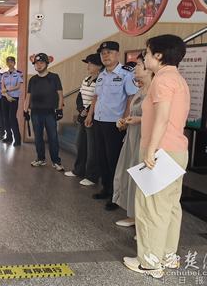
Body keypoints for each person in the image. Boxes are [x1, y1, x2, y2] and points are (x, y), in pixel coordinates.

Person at [124, 34, 190, 279]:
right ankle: (167, 256)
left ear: (159, 56)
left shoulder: (162, 80)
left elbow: (162, 119)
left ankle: (149, 262)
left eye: (148, 53)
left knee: (151, 208)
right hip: (176, 150)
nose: (145, 57)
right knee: (170, 206)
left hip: (161, 150)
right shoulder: (177, 78)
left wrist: (151, 150)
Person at [85, 41, 138, 211]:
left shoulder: (126, 73)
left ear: (117, 54)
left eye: (109, 52)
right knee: (102, 158)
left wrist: (124, 119)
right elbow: (96, 96)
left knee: (114, 160)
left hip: (115, 124)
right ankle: (106, 188)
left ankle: (117, 196)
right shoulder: (102, 75)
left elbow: (131, 97)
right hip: (99, 121)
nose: (105, 55)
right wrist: (90, 115)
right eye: (103, 53)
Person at [112, 53, 153, 228]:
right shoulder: (140, 90)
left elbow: (161, 118)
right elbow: (133, 114)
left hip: (145, 138)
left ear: (149, 69)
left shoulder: (156, 90)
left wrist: (140, 120)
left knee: (142, 176)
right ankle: (133, 214)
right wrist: (124, 121)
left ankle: (143, 219)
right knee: (129, 174)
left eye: (139, 64)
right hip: (132, 136)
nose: (135, 68)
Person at [65, 53, 103, 185]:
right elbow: (79, 97)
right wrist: (81, 110)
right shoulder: (86, 80)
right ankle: (78, 170)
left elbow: (98, 99)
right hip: (83, 116)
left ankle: (92, 176)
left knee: (92, 148)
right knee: (80, 145)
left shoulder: (101, 81)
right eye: (88, 63)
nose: (88, 66)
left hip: (93, 118)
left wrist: (88, 112)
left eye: (91, 63)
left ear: (99, 66)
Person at [23, 53, 64, 171]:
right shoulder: (33, 80)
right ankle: (40, 158)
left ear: (46, 64)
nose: (39, 65)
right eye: (37, 63)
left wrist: (59, 110)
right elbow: (28, 97)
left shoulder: (54, 77)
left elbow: (60, 95)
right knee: (38, 138)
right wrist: (25, 111)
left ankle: (56, 161)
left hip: (49, 112)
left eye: (41, 63)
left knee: (53, 137)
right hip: (35, 112)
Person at [1, 56, 24, 146]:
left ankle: (17, 139)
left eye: (12, 62)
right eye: (8, 62)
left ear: (14, 63)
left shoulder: (18, 74)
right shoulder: (4, 74)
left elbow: (17, 86)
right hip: (5, 98)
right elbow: (2, 87)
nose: (10, 64)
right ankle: (9, 136)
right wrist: (7, 95)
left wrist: (7, 91)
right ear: (6, 63)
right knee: (5, 118)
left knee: (12, 117)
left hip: (14, 98)